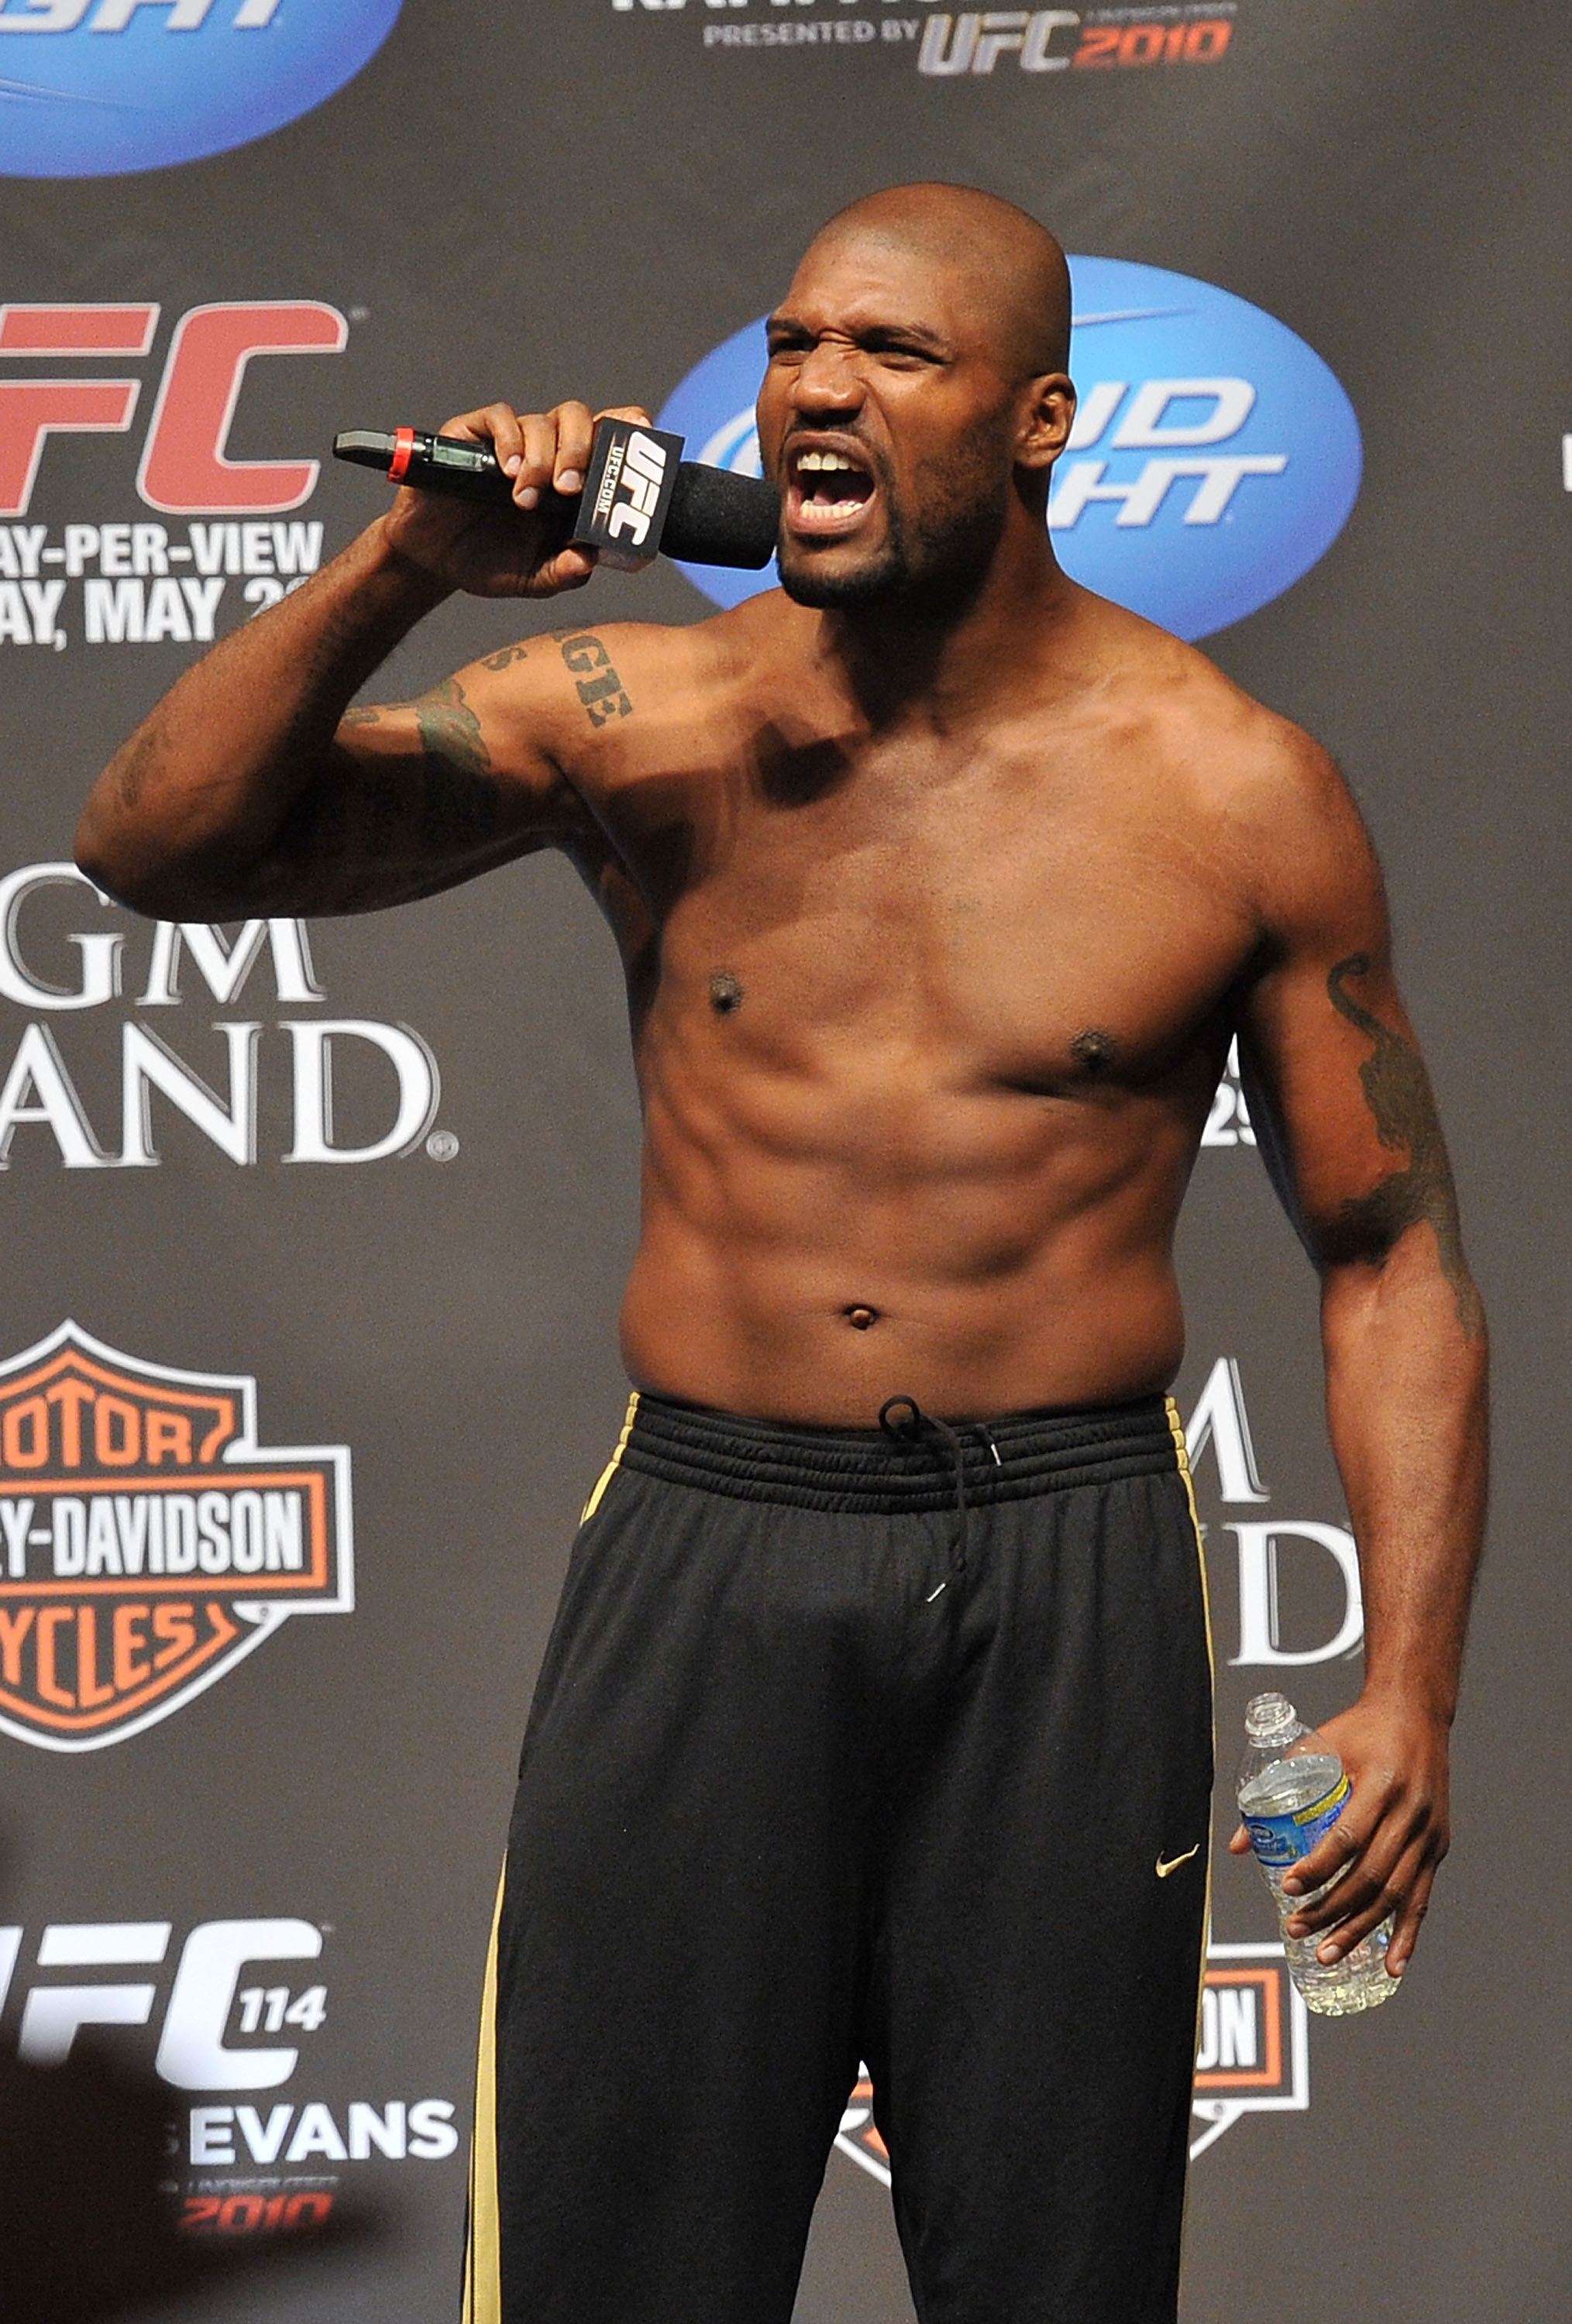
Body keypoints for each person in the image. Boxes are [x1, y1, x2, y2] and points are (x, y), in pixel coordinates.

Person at [76, 183, 1487, 2324]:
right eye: (796, 341)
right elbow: (154, 848)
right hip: (715, 1545)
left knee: (1057, 2273)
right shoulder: (637, 713)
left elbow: (1389, 1248)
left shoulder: (1232, 792)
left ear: (1040, 425)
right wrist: (398, 571)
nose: (816, 385)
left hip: (1063, 1577)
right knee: (612, 2265)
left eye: (893, 354)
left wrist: (1409, 1689)